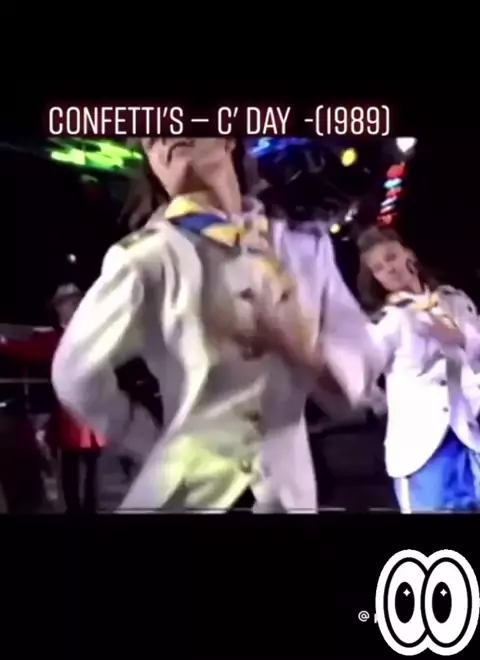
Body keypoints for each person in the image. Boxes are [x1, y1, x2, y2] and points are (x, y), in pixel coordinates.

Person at [52, 138, 380, 513]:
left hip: (289, 494)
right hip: (183, 494)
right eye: (151, 137)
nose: (163, 134)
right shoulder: (147, 256)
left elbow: (357, 369)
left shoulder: (303, 245)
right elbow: (74, 373)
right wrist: (146, 438)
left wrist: (303, 351)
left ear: (228, 138)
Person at [357, 225, 480, 512]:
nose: (389, 269)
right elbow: (360, 379)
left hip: (470, 432)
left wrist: (459, 337)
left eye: (391, 257)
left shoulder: (453, 301)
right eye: (378, 268)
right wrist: (383, 406)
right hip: (422, 448)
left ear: (408, 255)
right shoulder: (387, 322)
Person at [45, 284, 106, 513]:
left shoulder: (94, 334)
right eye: (71, 302)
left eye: (78, 301)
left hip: (92, 409)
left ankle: (89, 509)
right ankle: (74, 510)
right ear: (59, 308)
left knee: (93, 467)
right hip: (66, 413)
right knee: (70, 466)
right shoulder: (54, 338)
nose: (77, 306)